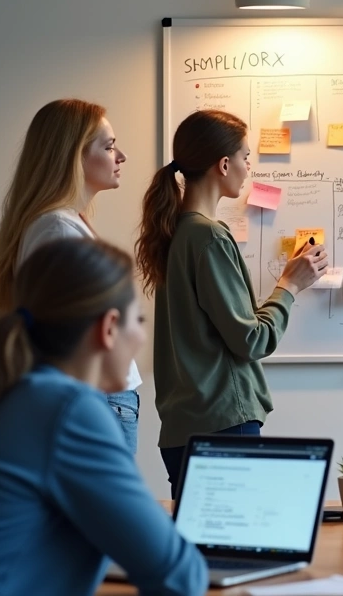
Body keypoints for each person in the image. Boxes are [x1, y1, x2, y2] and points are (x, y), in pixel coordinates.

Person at [0, 238, 207, 596]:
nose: (143, 337)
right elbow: (180, 577)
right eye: (140, 320)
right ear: (109, 327)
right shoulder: (66, 409)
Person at [135, 109, 328, 494]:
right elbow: (252, 340)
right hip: (222, 423)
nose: (248, 166)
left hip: (182, 428)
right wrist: (290, 285)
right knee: (237, 534)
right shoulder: (208, 237)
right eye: (245, 157)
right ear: (224, 165)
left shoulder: (176, 234)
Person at [0, 98, 144, 454]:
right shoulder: (58, 229)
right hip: (99, 397)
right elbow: (69, 331)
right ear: (73, 156)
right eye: (109, 147)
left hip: (103, 397)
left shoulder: (64, 223)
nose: (121, 156)